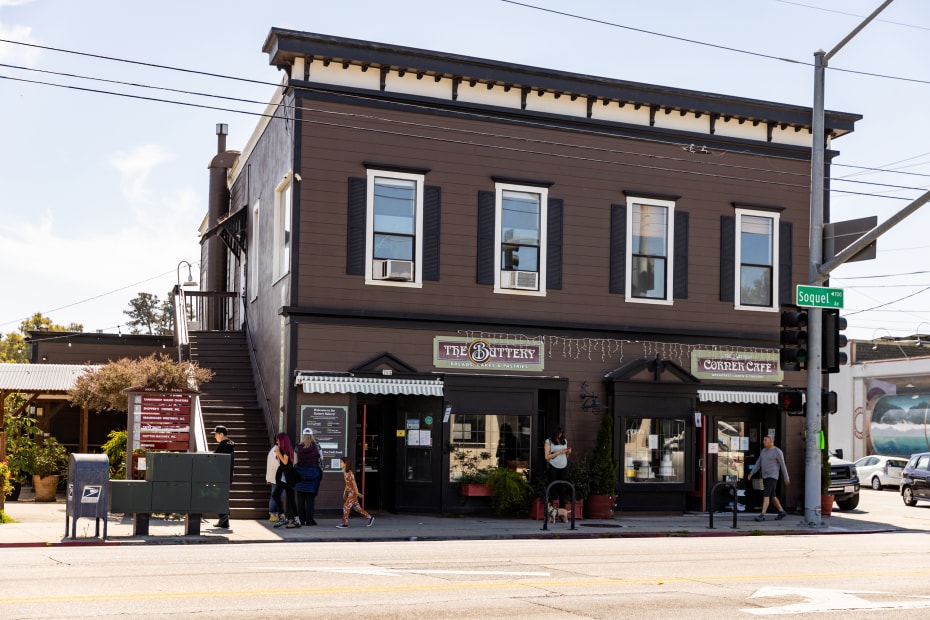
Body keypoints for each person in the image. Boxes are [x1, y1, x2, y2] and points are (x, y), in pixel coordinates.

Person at [748, 434, 790, 521]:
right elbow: (758, 463)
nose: (763, 442)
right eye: (763, 440)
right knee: (772, 496)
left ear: (771, 441)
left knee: (766, 494)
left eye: (765, 440)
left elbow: (783, 465)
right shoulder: (763, 451)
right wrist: (751, 473)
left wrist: (786, 478)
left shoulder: (777, 451)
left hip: (773, 476)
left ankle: (762, 515)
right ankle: (781, 511)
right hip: (765, 476)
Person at [294, 427, 323, 526]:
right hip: (313, 475)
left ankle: (301, 519)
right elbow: (321, 460)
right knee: (310, 500)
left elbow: (295, 462)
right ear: (312, 436)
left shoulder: (298, 447)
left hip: (300, 475)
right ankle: (309, 520)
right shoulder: (317, 446)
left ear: (303, 435)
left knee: (301, 500)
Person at [271, 432, 301, 529]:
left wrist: (278, 453)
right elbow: (281, 463)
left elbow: (285, 462)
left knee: (275, 495)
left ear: (282, 440)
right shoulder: (282, 449)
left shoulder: (285, 450)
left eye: (278, 439)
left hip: (285, 477)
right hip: (285, 477)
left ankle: (283, 517)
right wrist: (278, 453)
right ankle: (296, 519)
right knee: (291, 498)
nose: (277, 441)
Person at [336, 457, 374, 528]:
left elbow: (354, 484)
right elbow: (347, 484)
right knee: (357, 508)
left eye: (341, 462)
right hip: (350, 493)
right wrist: (344, 492)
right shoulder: (345, 472)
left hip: (353, 493)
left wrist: (357, 493)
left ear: (345, 464)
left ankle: (344, 524)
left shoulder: (350, 473)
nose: (340, 463)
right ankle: (370, 517)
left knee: (346, 507)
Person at [544, 425, 572, 511]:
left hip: (563, 465)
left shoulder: (564, 441)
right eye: (559, 433)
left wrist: (568, 452)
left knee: (562, 488)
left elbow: (565, 456)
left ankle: (562, 512)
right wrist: (559, 452)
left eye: (562, 433)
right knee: (552, 488)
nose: (560, 434)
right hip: (553, 465)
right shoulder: (548, 441)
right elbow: (547, 457)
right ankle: (551, 511)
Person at [212, 425, 235, 529]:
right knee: (223, 497)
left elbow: (216, 460)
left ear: (221, 434)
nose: (215, 437)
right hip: (227, 475)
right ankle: (224, 520)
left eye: (216, 434)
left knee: (219, 497)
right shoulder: (230, 444)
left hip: (221, 476)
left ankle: (224, 517)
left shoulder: (222, 445)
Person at [266, 441, 282, 522]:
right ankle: (272, 514)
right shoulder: (274, 451)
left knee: (276, 496)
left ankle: (274, 514)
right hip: (275, 478)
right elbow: (276, 465)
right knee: (275, 496)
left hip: (276, 477)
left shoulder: (276, 450)